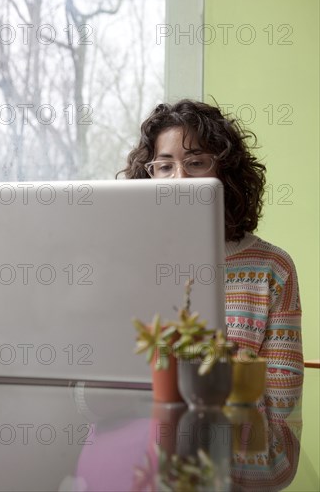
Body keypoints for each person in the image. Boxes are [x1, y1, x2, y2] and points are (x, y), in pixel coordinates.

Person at [118, 99, 304, 391]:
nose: (180, 179)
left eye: (195, 162)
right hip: (143, 431)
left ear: (225, 172)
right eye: (164, 166)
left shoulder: (273, 267)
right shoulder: (130, 262)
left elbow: (282, 389)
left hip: (236, 434)